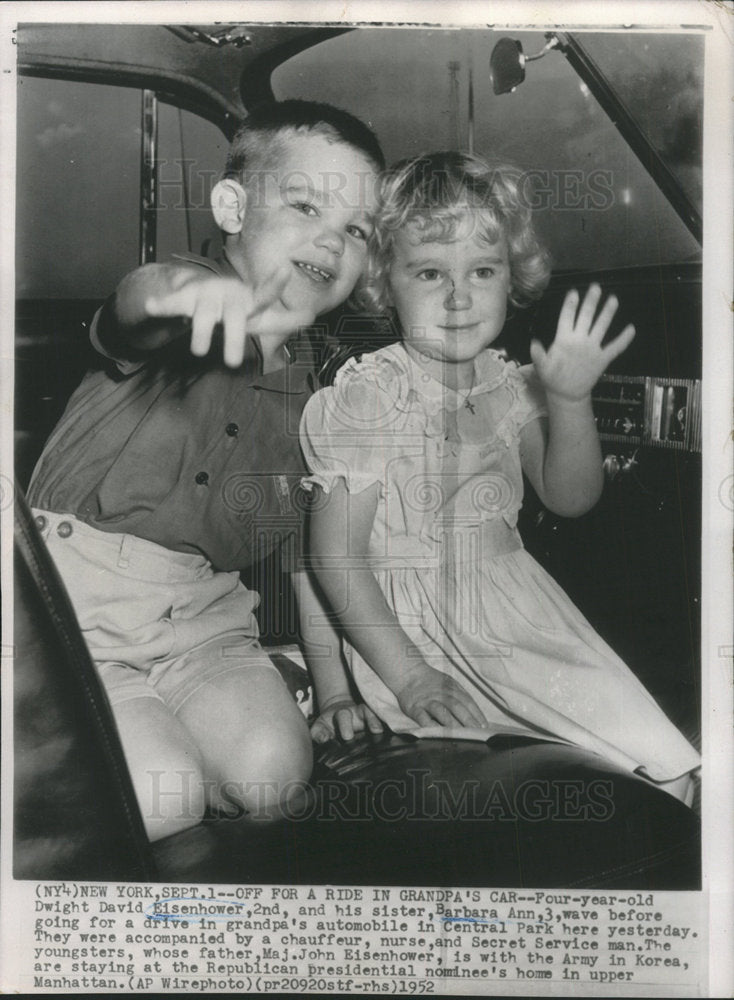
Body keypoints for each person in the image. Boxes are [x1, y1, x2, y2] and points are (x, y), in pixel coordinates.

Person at [27, 100, 384, 839]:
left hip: (204, 620)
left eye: (356, 228)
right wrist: (184, 296)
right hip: (72, 606)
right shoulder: (181, 296)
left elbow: (304, 559)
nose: (330, 237)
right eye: (305, 204)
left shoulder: (319, 390)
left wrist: (336, 683)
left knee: (275, 773)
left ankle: (243, 696)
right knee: (165, 797)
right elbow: (134, 306)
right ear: (231, 207)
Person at [299, 151, 701, 804]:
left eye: (482, 271)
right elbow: (334, 556)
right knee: (643, 759)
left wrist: (569, 401)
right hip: (410, 635)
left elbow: (570, 499)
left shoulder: (510, 382)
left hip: (522, 613)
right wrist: (410, 679)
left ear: (510, 278)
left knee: (655, 755)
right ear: (383, 282)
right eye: (430, 273)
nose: (460, 297)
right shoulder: (368, 395)